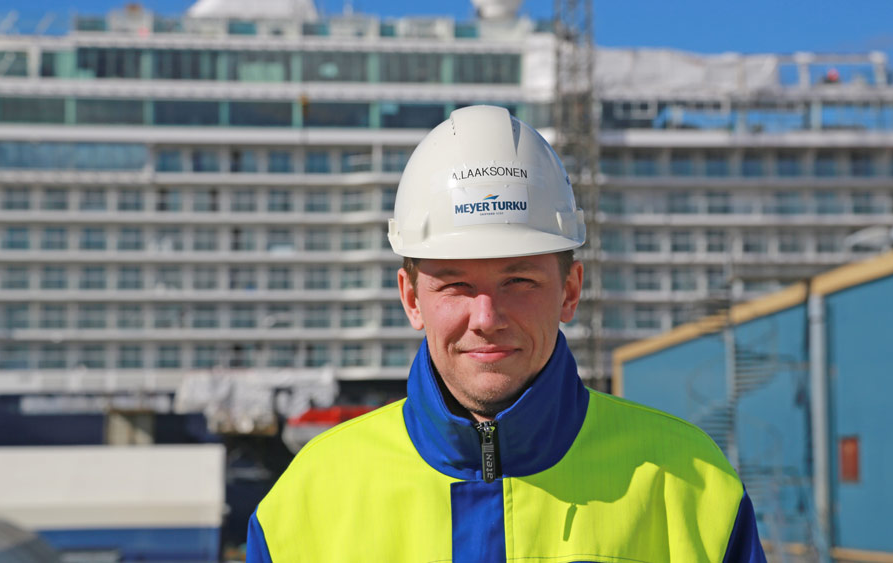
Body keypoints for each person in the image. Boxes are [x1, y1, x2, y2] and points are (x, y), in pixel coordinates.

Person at [246, 105, 765, 562]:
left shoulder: (693, 484)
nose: (486, 317)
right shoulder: (305, 501)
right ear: (412, 299)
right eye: (455, 285)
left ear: (569, 291)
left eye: (518, 281)